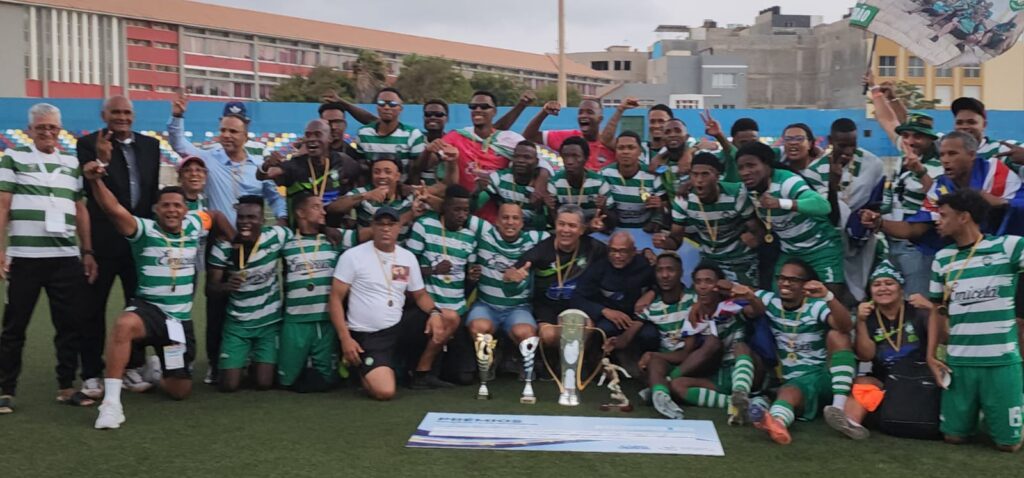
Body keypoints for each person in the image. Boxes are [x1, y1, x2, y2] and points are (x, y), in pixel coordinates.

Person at [80, 160, 232, 429]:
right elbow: (113, 209)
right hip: (149, 310)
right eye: (166, 205)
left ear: (186, 210)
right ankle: (111, 405)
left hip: (178, 322)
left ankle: (155, 368)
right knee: (124, 324)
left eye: (177, 206)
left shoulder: (196, 223)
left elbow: (216, 216)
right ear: (156, 209)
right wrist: (95, 181)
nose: (172, 210)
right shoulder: (144, 230)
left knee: (180, 390)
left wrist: (235, 240)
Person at [167, 93, 287, 385]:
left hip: (253, 245)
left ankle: (256, 354)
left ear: (246, 134)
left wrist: (282, 219)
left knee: (256, 294)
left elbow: (274, 197)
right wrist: (178, 116)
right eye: (223, 130)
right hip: (221, 244)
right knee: (217, 302)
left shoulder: (257, 166)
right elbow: (179, 144)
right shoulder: (210, 158)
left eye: (234, 131)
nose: (227, 136)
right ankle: (216, 361)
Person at [0, 104, 96, 413]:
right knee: (15, 326)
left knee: (69, 325)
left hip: (65, 256)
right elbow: (3, 205)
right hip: (25, 257)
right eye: (41, 127)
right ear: (30, 130)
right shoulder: (13, 157)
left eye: (52, 127)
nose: (47, 132)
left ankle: (67, 387)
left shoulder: (71, 163)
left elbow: (80, 210)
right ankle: (5, 390)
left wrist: (87, 250)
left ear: (59, 130)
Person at [76, 96, 163, 396]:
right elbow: (89, 186)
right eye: (116, 112)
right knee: (92, 308)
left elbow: (151, 195)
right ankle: (91, 372)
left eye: (127, 112)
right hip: (102, 242)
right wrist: (103, 160)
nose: (122, 117)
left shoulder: (151, 146)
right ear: (104, 115)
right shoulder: (88, 144)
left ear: (133, 116)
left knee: (139, 307)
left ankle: (133, 366)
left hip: (139, 242)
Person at [328, 207, 461, 400]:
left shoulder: (407, 257)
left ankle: (421, 374)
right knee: (385, 392)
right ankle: (361, 369)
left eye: (391, 224)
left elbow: (420, 294)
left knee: (449, 318)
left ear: (399, 227)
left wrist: (434, 313)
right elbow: (335, 298)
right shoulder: (352, 256)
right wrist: (345, 338)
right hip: (370, 334)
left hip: (398, 325)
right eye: (380, 224)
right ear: (372, 227)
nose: (386, 229)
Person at [927, 188, 1023, 452]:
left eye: (944, 215)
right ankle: (985, 409)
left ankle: (1005, 407)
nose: (938, 221)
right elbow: (936, 310)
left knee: (1008, 445)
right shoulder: (942, 259)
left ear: (964, 217)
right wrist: (931, 356)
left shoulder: (1008, 247)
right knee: (954, 438)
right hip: (959, 362)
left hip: (1000, 361)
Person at [745, 258, 856, 445]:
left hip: (824, 378)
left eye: (793, 279)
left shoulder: (816, 305)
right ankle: (776, 423)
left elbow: (845, 326)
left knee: (838, 335)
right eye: (781, 278)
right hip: (795, 383)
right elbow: (732, 289)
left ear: (806, 285)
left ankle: (838, 408)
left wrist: (828, 296)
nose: (785, 283)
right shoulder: (770, 301)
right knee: (788, 391)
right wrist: (739, 292)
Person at [647, 262, 763, 424]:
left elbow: (758, 311)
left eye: (708, 281)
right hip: (717, 372)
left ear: (718, 285)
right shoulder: (694, 316)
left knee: (738, 345)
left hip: (743, 368)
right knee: (678, 385)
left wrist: (743, 292)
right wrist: (654, 356)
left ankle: (741, 392)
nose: (702, 286)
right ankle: (738, 404)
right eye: (698, 282)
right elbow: (686, 353)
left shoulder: (732, 305)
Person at [736, 142, 848, 300]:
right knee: (781, 297)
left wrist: (781, 203)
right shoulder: (747, 189)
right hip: (790, 251)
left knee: (830, 299)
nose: (745, 172)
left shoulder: (787, 181)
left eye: (751, 165)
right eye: (741, 168)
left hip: (821, 247)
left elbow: (823, 206)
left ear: (767, 164)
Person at [278, 192, 365, 392]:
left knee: (328, 380)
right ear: (300, 213)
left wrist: (406, 216)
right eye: (316, 207)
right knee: (285, 381)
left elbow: (365, 234)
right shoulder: (287, 240)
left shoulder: (334, 237)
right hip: (295, 319)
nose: (323, 211)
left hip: (325, 319)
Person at [838, 260, 932, 440]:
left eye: (889, 283)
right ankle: (850, 424)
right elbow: (866, 355)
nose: (883, 288)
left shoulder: (916, 310)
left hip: (916, 379)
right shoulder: (870, 317)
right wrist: (861, 322)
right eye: (877, 284)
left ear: (901, 288)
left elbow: (944, 337)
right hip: (885, 380)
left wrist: (931, 308)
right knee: (863, 382)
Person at [206, 196, 290, 393]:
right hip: (238, 324)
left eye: (252, 217)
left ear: (262, 220)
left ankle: (254, 360)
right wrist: (226, 286)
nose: (245, 222)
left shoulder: (276, 236)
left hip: (268, 323)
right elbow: (209, 288)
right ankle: (238, 359)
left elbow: (300, 234)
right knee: (228, 386)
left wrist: (327, 229)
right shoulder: (224, 246)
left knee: (264, 383)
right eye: (241, 217)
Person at [405, 186, 482, 388]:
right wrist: (433, 270)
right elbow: (406, 268)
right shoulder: (424, 226)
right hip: (429, 307)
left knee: (465, 377)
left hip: (457, 305)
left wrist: (472, 277)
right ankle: (422, 373)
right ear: (445, 207)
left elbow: (468, 277)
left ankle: (437, 370)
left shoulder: (470, 236)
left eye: (465, 210)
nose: (462, 215)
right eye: (457, 209)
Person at [441, 90, 551, 223]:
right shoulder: (456, 136)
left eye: (484, 106)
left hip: (501, 222)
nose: (478, 110)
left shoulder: (508, 139)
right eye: (473, 106)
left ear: (494, 111)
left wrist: (540, 186)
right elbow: (433, 160)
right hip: (465, 216)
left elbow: (542, 162)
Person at [864, 113, 942, 297]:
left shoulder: (938, 166)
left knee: (916, 300)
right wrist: (877, 95)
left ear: (930, 139)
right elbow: (887, 120)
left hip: (916, 245)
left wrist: (920, 172)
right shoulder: (906, 154)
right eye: (906, 135)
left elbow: (938, 198)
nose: (910, 141)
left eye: (918, 136)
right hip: (891, 240)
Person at [656, 152, 759, 284]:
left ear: (717, 176)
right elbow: (676, 240)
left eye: (705, 174)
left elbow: (756, 230)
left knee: (742, 296)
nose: (699, 180)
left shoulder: (736, 195)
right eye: (695, 174)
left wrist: (755, 237)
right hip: (709, 261)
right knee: (704, 294)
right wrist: (665, 242)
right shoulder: (683, 200)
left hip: (740, 260)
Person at [515, 205, 607, 349]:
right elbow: (518, 266)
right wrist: (514, 274)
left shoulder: (593, 247)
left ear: (582, 229)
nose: (565, 230)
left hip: (579, 305)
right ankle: (556, 360)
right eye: (561, 224)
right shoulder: (543, 248)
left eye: (572, 226)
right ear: (555, 225)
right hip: (547, 306)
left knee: (585, 330)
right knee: (548, 335)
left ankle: (578, 361)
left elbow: (617, 255)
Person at [467, 203, 549, 349]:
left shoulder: (536, 238)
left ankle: (521, 363)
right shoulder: (484, 232)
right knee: (478, 328)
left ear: (522, 223)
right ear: (497, 221)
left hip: (519, 308)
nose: (510, 222)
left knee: (527, 334)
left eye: (515, 218)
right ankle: (486, 362)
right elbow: (456, 211)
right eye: (505, 217)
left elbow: (562, 237)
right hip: (486, 305)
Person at [258, 119, 360, 226]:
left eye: (317, 134)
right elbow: (263, 175)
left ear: (330, 138)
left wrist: (347, 211)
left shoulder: (342, 161)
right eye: (308, 135)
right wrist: (267, 164)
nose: (312, 139)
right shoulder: (296, 165)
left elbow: (359, 177)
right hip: (300, 233)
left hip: (334, 231)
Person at [599, 131, 667, 245]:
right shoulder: (604, 174)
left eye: (631, 147)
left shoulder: (652, 174)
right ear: (616, 151)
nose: (625, 152)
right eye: (621, 148)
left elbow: (665, 206)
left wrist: (659, 205)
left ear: (640, 152)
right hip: (614, 231)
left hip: (644, 232)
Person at [476, 140, 556, 231]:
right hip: (505, 230)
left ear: (537, 162)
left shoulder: (547, 187)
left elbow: (548, 225)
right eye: (516, 156)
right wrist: (476, 193)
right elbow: (475, 206)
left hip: (534, 232)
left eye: (527, 157)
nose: (520, 160)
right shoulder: (499, 178)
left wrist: (540, 208)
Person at [354, 87, 426, 182]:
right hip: (372, 188)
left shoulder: (413, 134)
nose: (386, 107)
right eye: (381, 103)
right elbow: (362, 169)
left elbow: (415, 171)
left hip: (401, 188)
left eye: (392, 104)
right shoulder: (363, 133)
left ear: (400, 108)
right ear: (377, 107)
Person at [522, 98, 616, 170]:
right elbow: (529, 136)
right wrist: (544, 113)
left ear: (600, 119)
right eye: (580, 112)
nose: (583, 115)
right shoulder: (569, 138)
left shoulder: (610, 144)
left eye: (590, 112)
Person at [949, 97, 1024, 175]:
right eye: (959, 123)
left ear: (984, 125)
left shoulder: (1002, 149)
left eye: (971, 122)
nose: (964, 127)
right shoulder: (946, 154)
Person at [551, 136, 615, 224]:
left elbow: (612, 220)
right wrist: (550, 208)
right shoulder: (555, 182)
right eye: (565, 156)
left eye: (575, 156)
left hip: (592, 230)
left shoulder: (599, 182)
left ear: (586, 158)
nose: (569, 161)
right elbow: (552, 221)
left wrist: (603, 208)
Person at [409, 99, 449, 185]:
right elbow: (413, 170)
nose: (433, 117)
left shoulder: (452, 142)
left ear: (447, 119)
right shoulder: (414, 140)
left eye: (439, 114)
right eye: (428, 114)